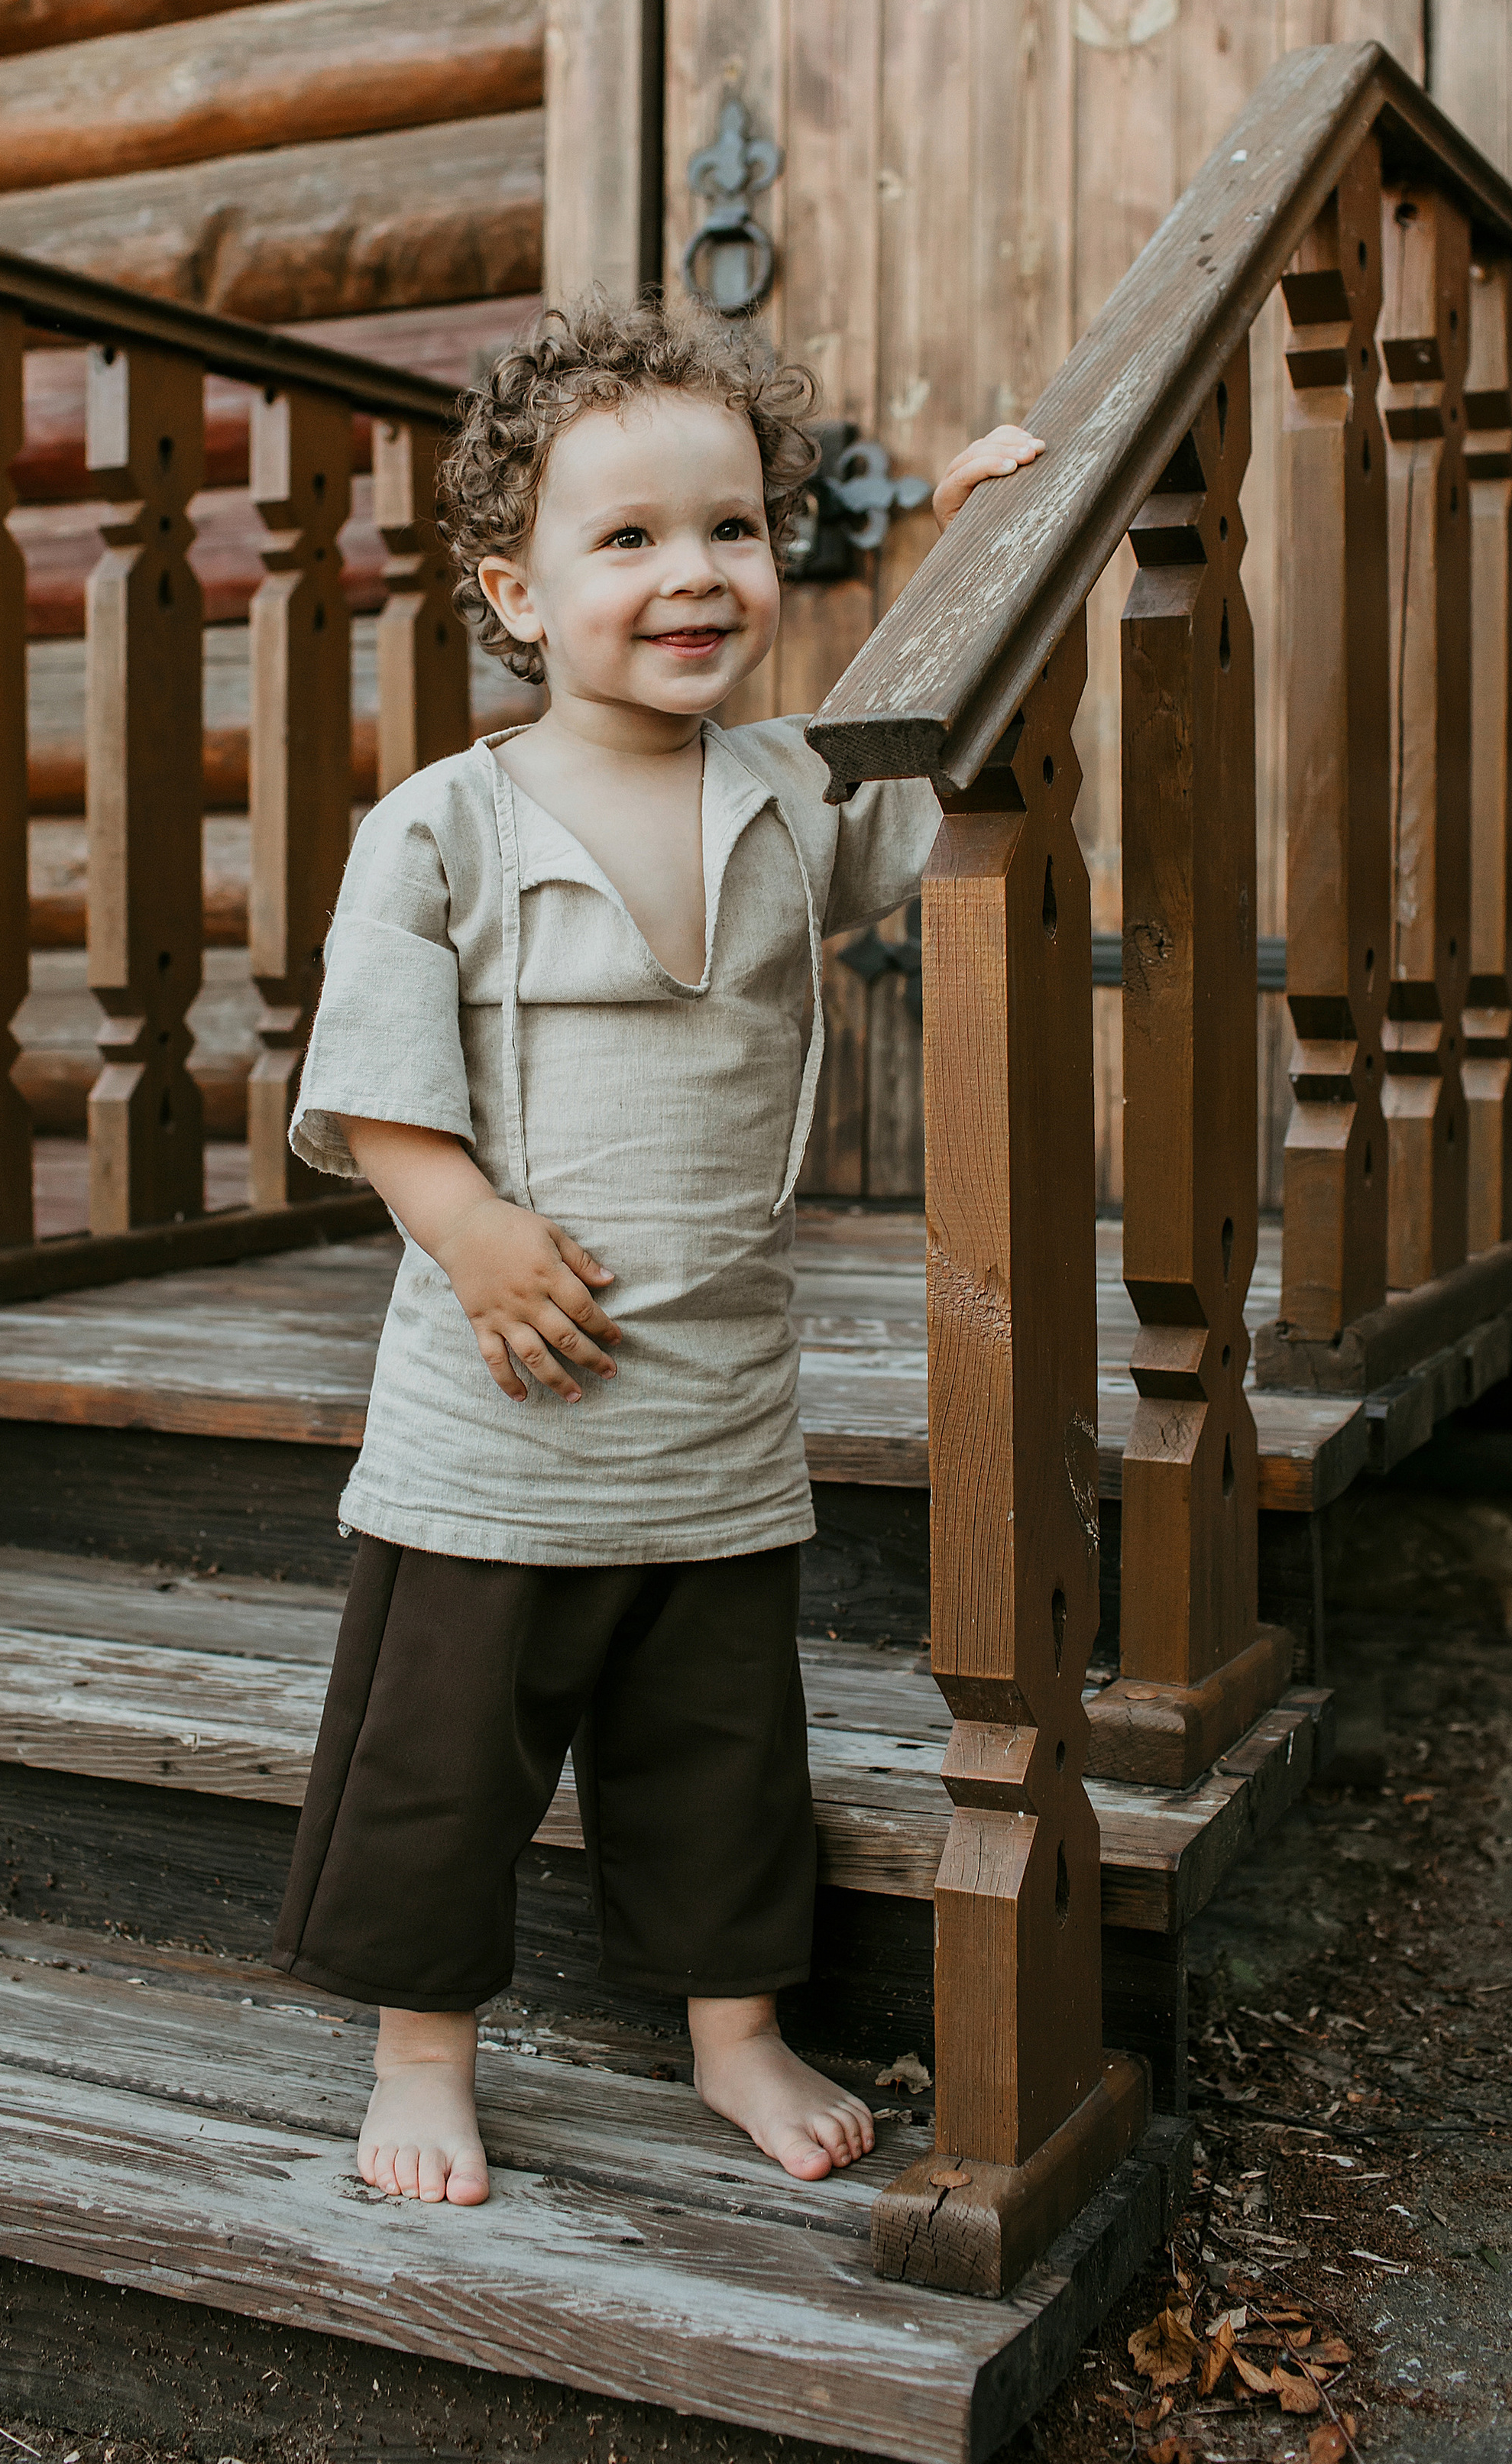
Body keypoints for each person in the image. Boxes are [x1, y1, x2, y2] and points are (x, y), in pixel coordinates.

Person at [271, 291, 1043, 2207]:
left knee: (718, 1746)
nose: (693, 573)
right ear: (514, 595)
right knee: (443, 1750)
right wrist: (465, 1228)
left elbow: (942, 765)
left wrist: (984, 563)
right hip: (503, 1402)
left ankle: (732, 2028)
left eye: (731, 528)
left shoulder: (784, 788)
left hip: (709, 1401)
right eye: (625, 538)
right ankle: (422, 2055)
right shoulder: (442, 825)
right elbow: (376, 1079)